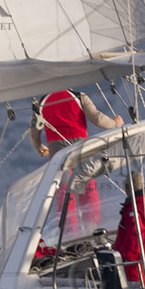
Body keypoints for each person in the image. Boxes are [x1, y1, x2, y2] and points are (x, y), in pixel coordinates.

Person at [30, 89, 120, 233]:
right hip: (82, 148)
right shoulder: (79, 96)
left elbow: (34, 131)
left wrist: (39, 146)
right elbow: (96, 118)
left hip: (57, 152)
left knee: (65, 191)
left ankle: (69, 233)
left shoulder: (42, 101)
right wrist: (115, 123)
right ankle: (91, 228)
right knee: (87, 186)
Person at [114, 171, 145, 286]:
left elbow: (135, 236)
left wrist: (126, 259)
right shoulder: (144, 204)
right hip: (141, 259)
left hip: (134, 263)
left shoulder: (135, 209)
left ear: (128, 187)